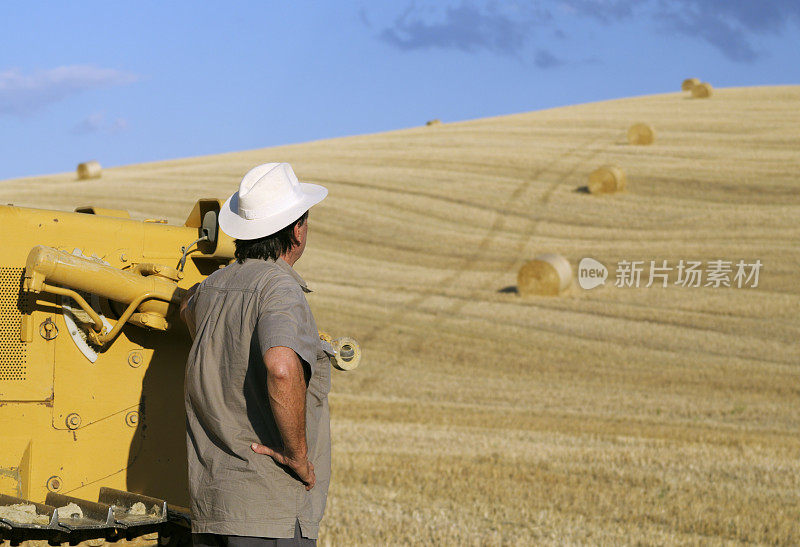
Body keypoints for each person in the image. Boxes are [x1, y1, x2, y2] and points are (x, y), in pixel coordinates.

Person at [180, 162, 330, 546]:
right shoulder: (279, 288)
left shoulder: (210, 287)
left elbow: (186, 310)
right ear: (297, 229)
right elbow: (281, 368)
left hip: (213, 507)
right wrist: (297, 456)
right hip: (268, 512)